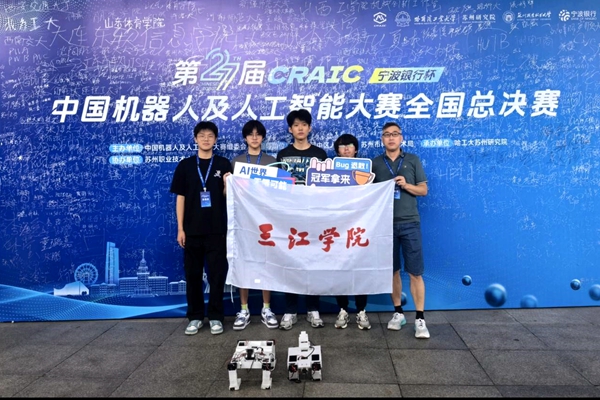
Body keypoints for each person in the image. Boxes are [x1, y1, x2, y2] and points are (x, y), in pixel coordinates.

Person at [170, 121, 232, 336]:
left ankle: (216, 317)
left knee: (217, 276)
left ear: (216, 140)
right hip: (192, 230)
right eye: (202, 135)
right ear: (195, 139)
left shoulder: (223, 164)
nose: (206, 139)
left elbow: (227, 197)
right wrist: (180, 228)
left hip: (217, 229)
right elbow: (180, 198)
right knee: (193, 275)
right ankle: (195, 317)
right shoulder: (185, 165)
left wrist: (227, 185)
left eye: (210, 136)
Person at [371, 122, 430, 339]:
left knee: (415, 272)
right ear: (382, 139)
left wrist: (406, 185)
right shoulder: (375, 163)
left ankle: (420, 318)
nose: (391, 138)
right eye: (387, 134)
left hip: (410, 222)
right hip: (385, 225)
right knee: (392, 271)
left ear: (401, 138)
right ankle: (398, 313)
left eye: (395, 134)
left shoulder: (412, 160)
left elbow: (423, 190)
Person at [276, 109, 328, 330]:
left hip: (314, 216)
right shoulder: (282, 154)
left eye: (304, 124)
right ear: (290, 129)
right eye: (296, 125)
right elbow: (278, 187)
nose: (300, 128)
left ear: (309, 128)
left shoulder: (320, 154)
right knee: (291, 263)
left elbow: (327, 186)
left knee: (314, 262)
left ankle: (313, 309)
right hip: (290, 217)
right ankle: (290, 311)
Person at [230, 120, 278, 330]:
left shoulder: (271, 161)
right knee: (244, 263)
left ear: (263, 137)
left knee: (266, 264)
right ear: (245, 138)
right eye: (251, 134)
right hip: (243, 221)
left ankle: (266, 308)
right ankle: (244, 309)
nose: (255, 137)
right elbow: (230, 194)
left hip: (266, 221)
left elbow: (278, 192)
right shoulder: (236, 162)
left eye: (258, 134)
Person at [331, 133, 371, 330]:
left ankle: (361, 310)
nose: (346, 149)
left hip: (360, 226)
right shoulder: (329, 172)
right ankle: (343, 309)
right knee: (340, 270)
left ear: (356, 149)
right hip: (337, 228)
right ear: (337, 151)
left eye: (350, 145)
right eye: (342, 146)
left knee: (360, 270)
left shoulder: (367, 171)